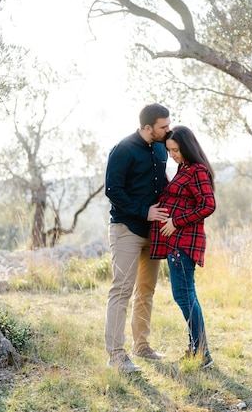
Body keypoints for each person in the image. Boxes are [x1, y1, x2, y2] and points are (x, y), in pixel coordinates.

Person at [104, 103, 172, 373]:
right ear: (147, 128)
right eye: (163, 127)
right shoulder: (123, 150)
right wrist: (145, 212)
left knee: (146, 291)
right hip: (127, 229)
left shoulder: (160, 147)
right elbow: (113, 190)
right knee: (121, 290)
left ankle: (141, 346)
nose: (168, 130)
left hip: (153, 233)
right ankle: (116, 356)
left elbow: (162, 183)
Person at [150, 125, 216, 369]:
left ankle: (202, 353)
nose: (173, 155)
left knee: (183, 295)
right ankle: (197, 349)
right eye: (169, 151)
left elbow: (208, 205)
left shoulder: (197, 170)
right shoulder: (183, 168)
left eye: (176, 150)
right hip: (177, 242)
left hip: (184, 242)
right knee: (187, 295)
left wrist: (176, 222)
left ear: (187, 147)